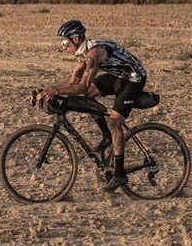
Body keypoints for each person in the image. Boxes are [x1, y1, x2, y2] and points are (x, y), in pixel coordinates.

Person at [38, 19, 148, 192]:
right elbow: (73, 82)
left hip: (133, 79)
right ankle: (106, 137)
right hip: (118, 75)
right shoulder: (83, 55)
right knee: (84, 96)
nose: (63, 47)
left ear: (76, 39)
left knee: (114, 122)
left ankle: (119, 174)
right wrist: (47, 91)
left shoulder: (93, 54)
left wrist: (55, 90)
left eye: (65, 43)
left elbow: (81, 86)